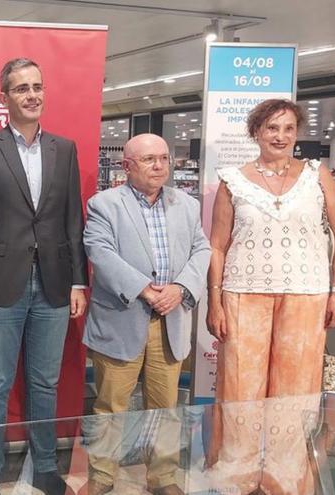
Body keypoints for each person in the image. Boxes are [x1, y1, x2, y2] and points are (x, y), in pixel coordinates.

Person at [205, 99, 335, 495]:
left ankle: (285, 479)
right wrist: (215, 301)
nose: (281, 136)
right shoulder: (232, 179)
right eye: (272, 128)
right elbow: (217, 247)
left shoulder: (317, 176)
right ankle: (236, 477)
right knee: (240, 388)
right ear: (256, 132)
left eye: (288, 129)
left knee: (296, 391)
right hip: (243, 295)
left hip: (307, 295)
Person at [0, 57, 88, 495]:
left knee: (44, 382)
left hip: (53, 284)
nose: (32, 95)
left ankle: (46, 467)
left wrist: (78, 281)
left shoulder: (64, 148)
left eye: (37, 86)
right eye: (21, 89)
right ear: (5, 98)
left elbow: (74, 220)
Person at [82, 133, 210, 495]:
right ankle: (103, 475)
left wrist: (180, 289)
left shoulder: (186, 204)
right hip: (122, 319)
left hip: (170, 321)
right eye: (150, 159)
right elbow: (100, 251)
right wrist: (144, 289)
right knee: (110, 405)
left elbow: (202, 249)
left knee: (166, 406)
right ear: (127, 166)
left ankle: (163, 478)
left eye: (164, 159)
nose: (160, 166)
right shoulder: (104, 204)